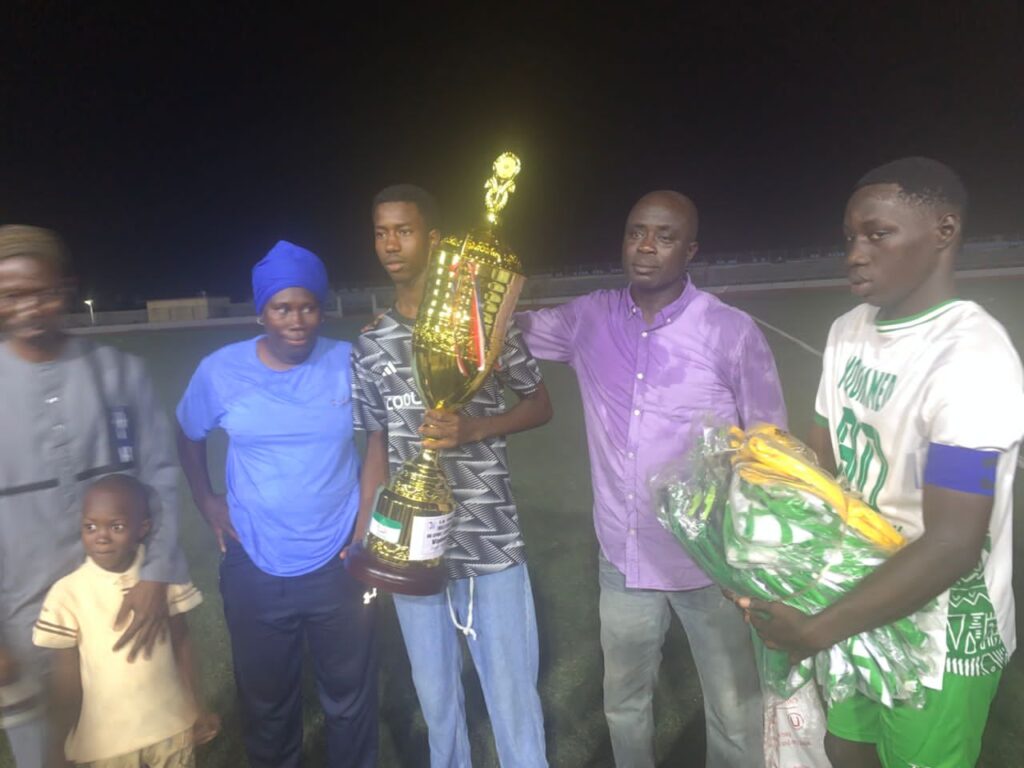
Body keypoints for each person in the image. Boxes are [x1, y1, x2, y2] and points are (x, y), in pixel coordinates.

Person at [736, 157, 1024, 768]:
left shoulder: (971, 358)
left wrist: (814, 630)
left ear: (944, 231)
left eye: (877, 234)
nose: (855, 255)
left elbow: (952, 543)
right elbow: (818, 467)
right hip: (855, 598)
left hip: (939, 630)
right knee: (846, 750)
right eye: (849, 238)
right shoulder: (848, 331)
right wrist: (763, 552)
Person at [516, 190, 786, 767]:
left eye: (665, 237)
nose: (646, 246)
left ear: (690, 251)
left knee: (734, 711)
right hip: (624, 560)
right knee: (624, 704)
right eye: (636, 232)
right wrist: (437, 305)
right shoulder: (589, 319)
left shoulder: (730, 332)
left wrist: (759, 559)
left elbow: (771, 450)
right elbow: (505, 332)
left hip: (709, 565)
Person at [351, 184, 553, 767]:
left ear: (433, 239)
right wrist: (367, 535)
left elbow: (540, 405)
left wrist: (475, 428)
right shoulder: (370, 343)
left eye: (404, 231)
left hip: (489, 535)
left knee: (513, 700)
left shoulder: (482, 325)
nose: (391, 244)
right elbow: (377, 443)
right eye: (381, 232)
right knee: (437, 703)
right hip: (411, 545)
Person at [176, 241, 376, 768]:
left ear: (321, 309)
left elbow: (380, 438)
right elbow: (188, 433)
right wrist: (206, 500)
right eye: (282, 308)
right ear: (260, 312)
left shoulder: (348, 361)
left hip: (339, 558)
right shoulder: (220, 371)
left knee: (350, 698)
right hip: (254, 563)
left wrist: (362, 528)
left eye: (308, 307)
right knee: (267, 706)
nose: (297, 321)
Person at [0, 226, 188, 768]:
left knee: (136, 736)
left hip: (122, 604)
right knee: (44, 751)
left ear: (67, 288)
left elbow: (160, 477)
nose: (29, 307)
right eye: (11, 295)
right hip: (22, 612)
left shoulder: (118, 373)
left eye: (42, 292)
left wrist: (156, 576)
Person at [33, 474, 219, 768]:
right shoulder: (67, 594)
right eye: (90, 526)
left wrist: (197, 705)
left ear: (142, 529)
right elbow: (66, 678)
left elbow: (182, 642)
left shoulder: (162, 580)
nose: (101, 536)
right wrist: (59, 742)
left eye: (116, 526)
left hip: (170, 726)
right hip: (106, 742)